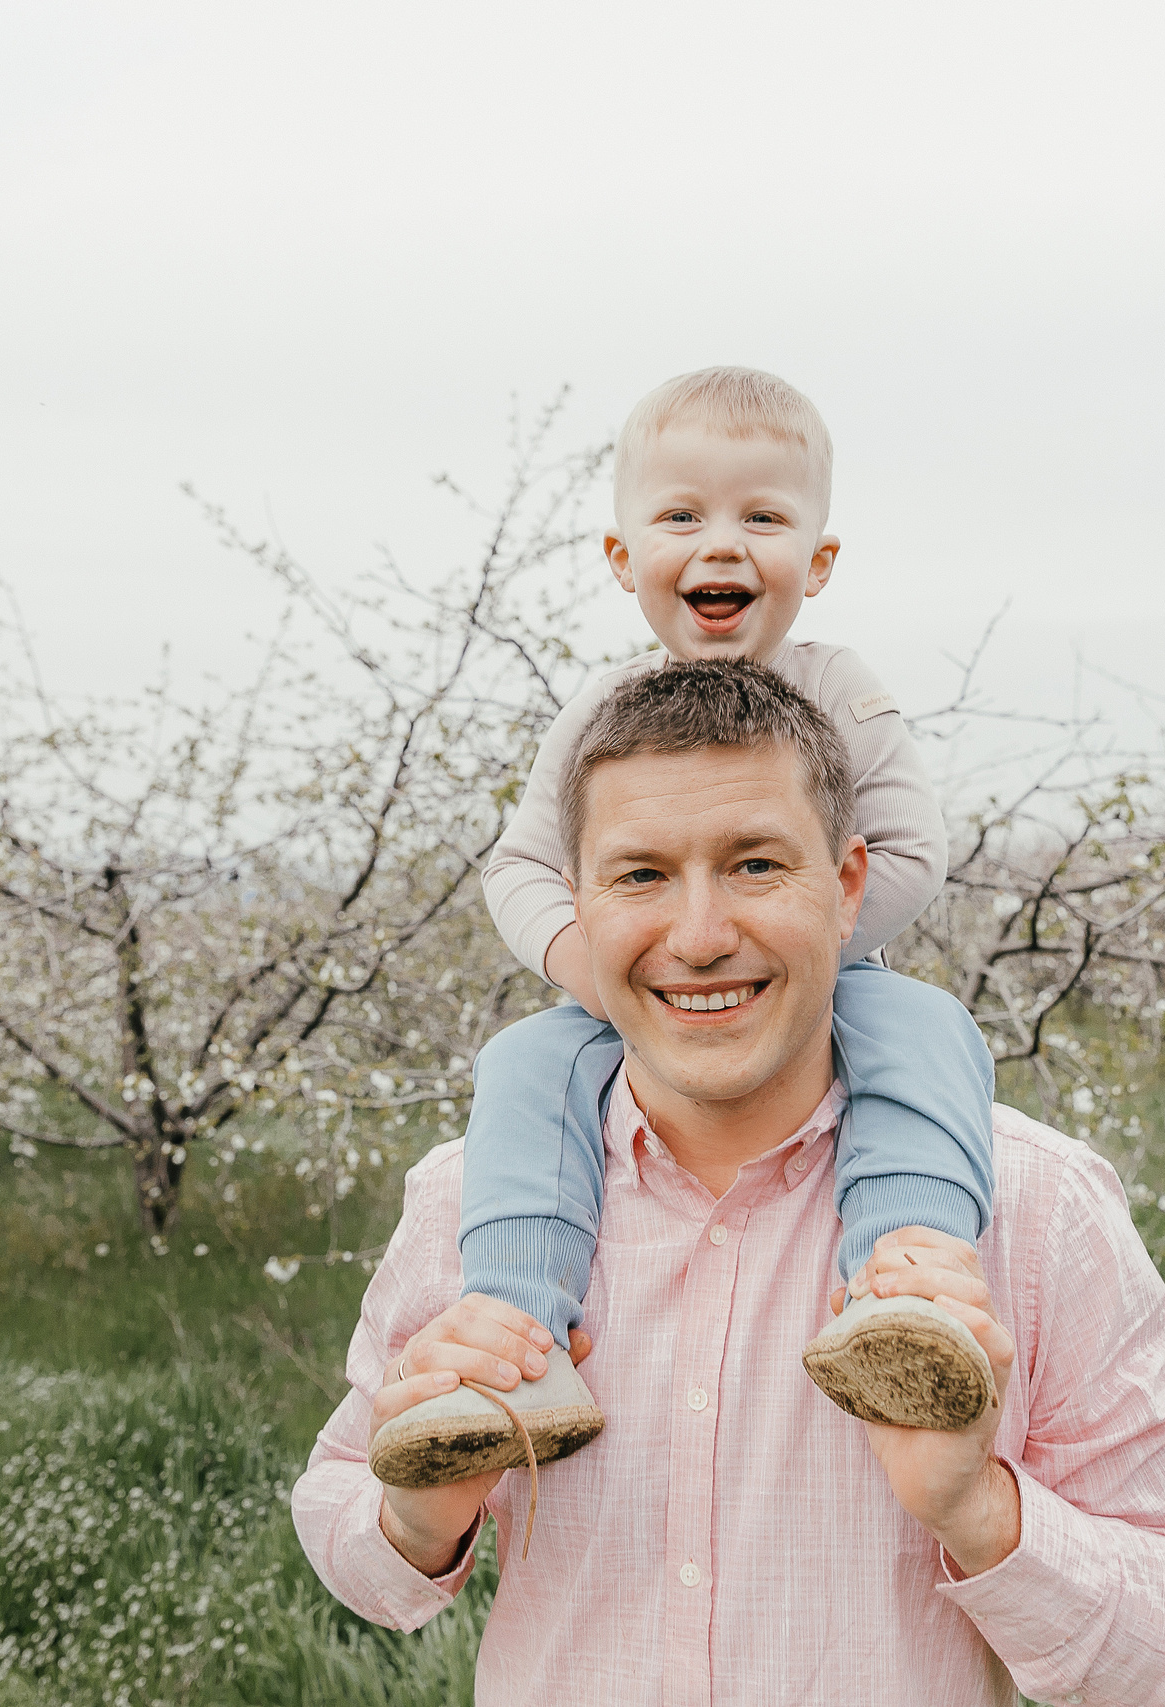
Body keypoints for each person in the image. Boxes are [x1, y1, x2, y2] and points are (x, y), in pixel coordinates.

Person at [294, 660, 1165, 1706]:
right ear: (576, 905)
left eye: (755, 865)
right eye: (639, 876)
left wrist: (980, 1511)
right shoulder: (472, 1207)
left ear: (849, 884)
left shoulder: (1031, 1209)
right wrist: (415, 1520)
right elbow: (350, 1544)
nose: (699, 935)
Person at [366, 367, 1000, 1490]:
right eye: (680, 516)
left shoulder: (840, 689)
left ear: (818, 560)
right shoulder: (602, 715)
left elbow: (907, 852)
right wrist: (604, 978)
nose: (723, 544)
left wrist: (793, 950)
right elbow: (520, 866)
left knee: (923, 1029)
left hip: (824, 984)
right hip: (628, 1001)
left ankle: (907, 1285)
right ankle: (512, 1342)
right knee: (525, 1064)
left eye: (762, 516)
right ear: (622, 559)